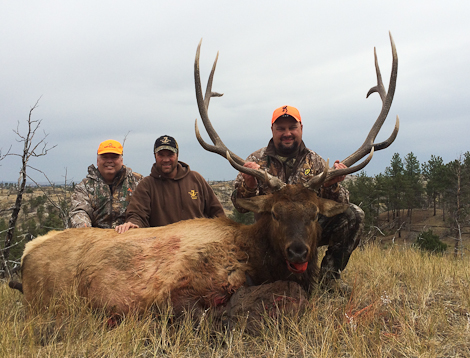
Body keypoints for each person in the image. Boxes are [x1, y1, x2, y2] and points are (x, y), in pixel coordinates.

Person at [231, 105, 364, 291]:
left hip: (307, 231)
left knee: (354, 214)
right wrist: (250, 185)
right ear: (272, 130)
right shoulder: (256, 160)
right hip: (271, 236)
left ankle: (329, 278)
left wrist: (331, 185)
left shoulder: (315, 161)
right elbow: (241, 206)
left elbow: (341, 205)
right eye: (281, 128)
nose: (287, 133)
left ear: (301, 128)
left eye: (292, 127)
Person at [115, 135, 225, 233]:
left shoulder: (196, 179)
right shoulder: (147, 185)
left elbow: (217, 213)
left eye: (170, 154)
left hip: (198, 245)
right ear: (155, 156)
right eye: (161, 155)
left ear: (177, 155)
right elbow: (137, 214)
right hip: (165, 248)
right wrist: (133, 223)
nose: (166, 159)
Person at [69, 139, 143, 229]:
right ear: (97, 160)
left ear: (121, 160)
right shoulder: (85, 186)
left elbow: (144, 211)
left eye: (114, 157)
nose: (109, 161)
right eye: (105, 157)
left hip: (129, 235)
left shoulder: (138, 182)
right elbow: (79, 211)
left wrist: (133, 223)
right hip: (95, 238)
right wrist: (85, 229)